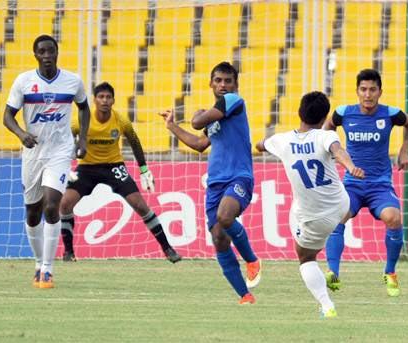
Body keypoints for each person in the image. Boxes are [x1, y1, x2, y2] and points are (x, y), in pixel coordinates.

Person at [160, 62, 261, 304]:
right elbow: (198, 144)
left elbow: (196, 122)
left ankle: (252, 260)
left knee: (226, 218)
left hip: (239, 176)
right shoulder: (216, 119)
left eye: (228, 81)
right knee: (218, 237)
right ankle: (245, 296)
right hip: (215, 182)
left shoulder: (233, 101)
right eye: (218, 81)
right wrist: (172, 126)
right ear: (211, 84)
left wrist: (197, 115)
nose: (223, 85)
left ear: (235, 84)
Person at [256, 91, 364, 318]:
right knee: (297, 211)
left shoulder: (281, 140)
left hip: (316, 217)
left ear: (299, 113)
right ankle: (333, 265)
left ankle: (327, 305)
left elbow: (259, 145)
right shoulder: (325, 136)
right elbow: (338, 150)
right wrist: (350, 166)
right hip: (341, 204)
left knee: (305, 257)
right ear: (325, 117)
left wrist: (260, 144)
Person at [2, 35, 91, 288]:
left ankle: (48, 271)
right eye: (42, 51)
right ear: (35, 54)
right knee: (33, 212)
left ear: (57, 52)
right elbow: (7, 115)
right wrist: (21, 134)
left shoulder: (72, 81)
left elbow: (84, 108)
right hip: (33, 152)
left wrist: (81, 140)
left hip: (60, 152)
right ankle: (38, 263)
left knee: (52, 206)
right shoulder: (24, 81)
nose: (47, 55)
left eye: (51, 51)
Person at [59, 82, 181, 264]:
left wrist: (144, 170)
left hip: (113, 166)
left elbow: (134, 142)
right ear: (94, 100)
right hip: (87, 168)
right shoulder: (82, 121)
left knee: (140, 205)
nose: (105, 101)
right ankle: (68, 252)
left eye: (108, 97)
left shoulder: (121, 120)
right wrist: (64, 165)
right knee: (65, 204)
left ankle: (167, 248)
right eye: (101, 97)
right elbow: (64, 140)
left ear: (113, 100)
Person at [322, 69, 408, 297]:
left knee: (393, 218)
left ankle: (390, 272)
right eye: (363, 89)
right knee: (336, 217)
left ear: (380, 92)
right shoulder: (344, 113)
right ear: (357, 91)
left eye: (372, 89)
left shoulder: (391, 114)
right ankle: (333, 273)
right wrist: (332, 152)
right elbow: (328, 129)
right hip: (352, 184)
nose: (368, 94)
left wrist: (404, 150)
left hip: (379, 185)